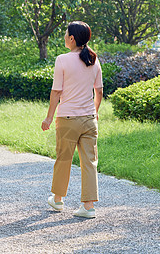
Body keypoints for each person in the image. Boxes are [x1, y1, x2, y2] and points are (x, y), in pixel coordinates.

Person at [41, 21, 103, 218]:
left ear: (72, 38)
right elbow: (99, 91)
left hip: (67, 118)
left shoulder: (62, 60)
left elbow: (56, 92)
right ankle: (88, 206)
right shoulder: (93, 59)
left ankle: (58, 200)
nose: (64, 37)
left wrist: (49, 118)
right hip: (89, 119)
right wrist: (94, 111)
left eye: (65, 34)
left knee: (64, 159)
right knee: (89, 162)